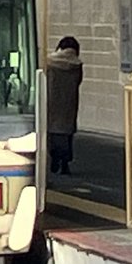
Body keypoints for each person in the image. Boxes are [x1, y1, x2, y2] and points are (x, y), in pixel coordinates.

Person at [46, 35, 83, 176]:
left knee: (52, 133)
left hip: (51, 102)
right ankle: (65, 164)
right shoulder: (77, 65)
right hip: (69, 104)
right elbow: (78, 82)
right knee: (67, 135)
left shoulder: (49, 62)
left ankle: (54, 157)